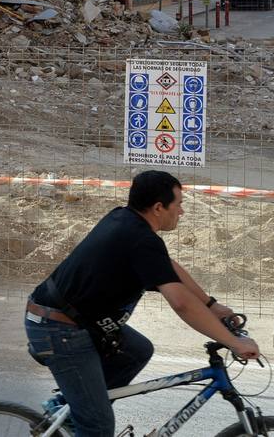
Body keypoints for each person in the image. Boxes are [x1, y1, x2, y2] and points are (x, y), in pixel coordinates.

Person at [24, 170, 259, 437]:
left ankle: (70, 406)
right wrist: (234, 342)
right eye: (178, 204)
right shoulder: (139, 239)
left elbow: (168, 269)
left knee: (136, 350)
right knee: (98, 427)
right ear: (159, 207)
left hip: (75, 321)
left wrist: (211, 305)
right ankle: (82, 413)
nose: (181, 212)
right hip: (60, 329)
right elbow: (180, 302)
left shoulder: (125, 219)